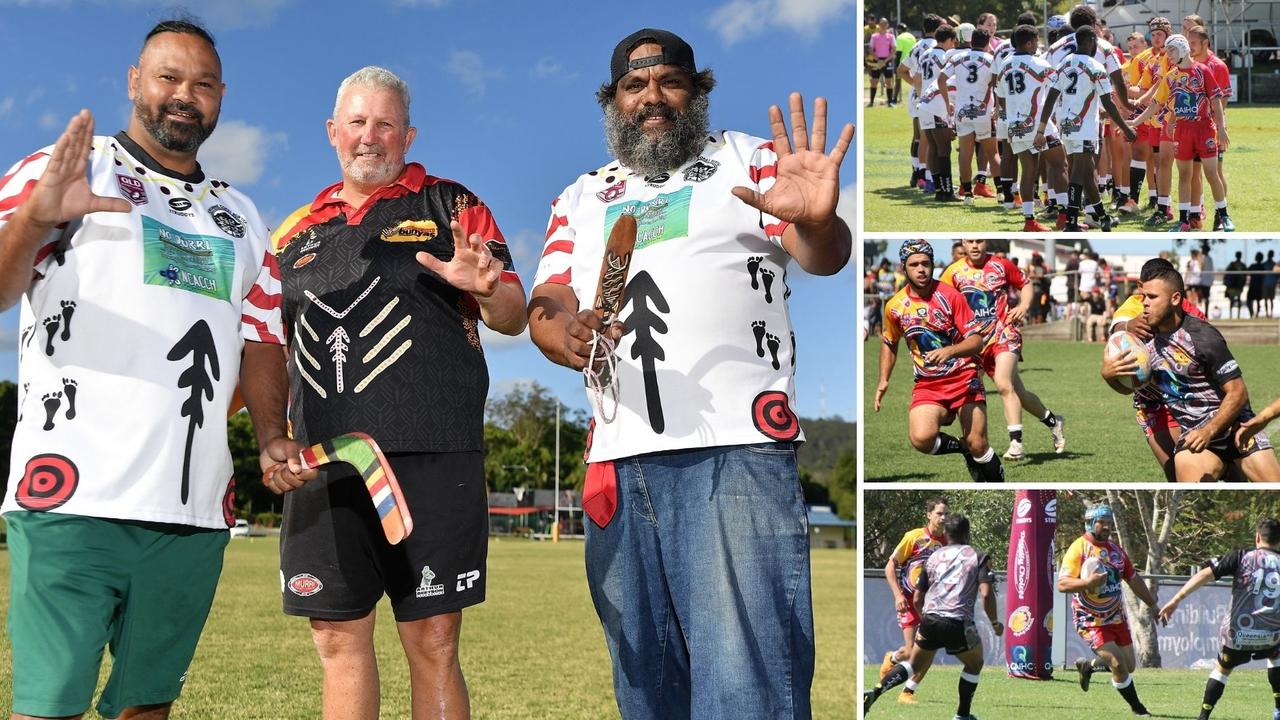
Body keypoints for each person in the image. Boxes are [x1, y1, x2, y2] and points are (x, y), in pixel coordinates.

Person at [526, 28, 852, 720]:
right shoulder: (580, 197)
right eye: (634, 84)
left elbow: (820, 251)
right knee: (645, 684)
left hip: (734, 454)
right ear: (612, 102)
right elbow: (547, 305)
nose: (652, 96)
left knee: (745, 683)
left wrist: (821, 225)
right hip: (619, 460)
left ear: (696, 90)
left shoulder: (748, 159)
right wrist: (567, 334)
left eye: (669, 80)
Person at [0, 17, 305, 720]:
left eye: (202, 84)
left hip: (190, 509)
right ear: (135, 82)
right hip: (70, 498)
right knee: (49, 706)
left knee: (148, 706)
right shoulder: (72, 168)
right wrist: (36, 220)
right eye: (168, 77)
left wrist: (269, 436)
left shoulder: (241, 215)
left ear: (221, 97)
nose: (184, 96)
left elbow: (262, 341)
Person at [268, 65, 527, 720]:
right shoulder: (291, 233)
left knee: (434, 639)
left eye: (385, 123)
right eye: (357, 122)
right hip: (324, 465)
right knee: (336, 636)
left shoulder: (450, 204)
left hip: (433, 455)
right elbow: (264, 347)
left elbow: (513, 314)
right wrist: (272, 433)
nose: (370, 136)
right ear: (332, 131)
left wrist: (488, 285)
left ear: (408, 134)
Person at [1103, 263, 1280, 481]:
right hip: (1194, 435)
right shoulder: (1144, 342)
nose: (1144, 304)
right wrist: (1109, 376)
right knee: (1182, 481)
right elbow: (1137, 382)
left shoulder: (1202, 336)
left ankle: (1232, 468)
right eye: (1143, 296)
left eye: (1152, 297)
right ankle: (1226, 468)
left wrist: (1209, 431)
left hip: (1237, 429)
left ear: (1175, 298)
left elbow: (1238, 393)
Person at [876, 241, 1004, 481]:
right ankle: (962, 448)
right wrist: (883, 380)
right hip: (928, 384)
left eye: (926, 263)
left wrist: (951, 351)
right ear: (904, 267)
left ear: (933, 265)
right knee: (921, 439)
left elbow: (976, 341)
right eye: (914, 264)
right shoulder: (894, 307)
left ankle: (993, 479)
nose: (921, 269)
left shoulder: (951, 296)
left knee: (978, 443)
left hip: (964, 376)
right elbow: (889, 342)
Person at [864, 514, 1002, 720]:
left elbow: (918, 597)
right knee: (975, 664)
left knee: (913, 663)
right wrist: (993, 622)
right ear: (967, 533)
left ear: (946, 533)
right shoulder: (978, 556)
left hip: (930, 619)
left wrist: (927, 619)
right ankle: (962, 715)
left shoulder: (933, 558)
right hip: (958, 621)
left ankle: (874, 692)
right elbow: (986, 593)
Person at [940, 238, 1065, 460]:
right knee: (1020, 394)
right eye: (970, 242)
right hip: (975, 343)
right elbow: (942, 304)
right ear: (963, 244)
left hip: (1004, 333)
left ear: (985, 242)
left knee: (1003, 383)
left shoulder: (1001, 264)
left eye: (979, 241)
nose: (975, 245)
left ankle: (1016, 443)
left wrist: (1024, 306)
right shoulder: (953, 273)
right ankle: (1054, 422)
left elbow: (1025, 283)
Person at [1158, 516, 1280, 720]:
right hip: (1272, 635)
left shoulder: (1241, 556)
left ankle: (1204, 715)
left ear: (1257, 537)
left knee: (1222, 670)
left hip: (1238, 634)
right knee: (1276, 657)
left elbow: (1203, 575)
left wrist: (1176, 599)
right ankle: (1278, 709)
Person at [1058, 505, 1161, 717]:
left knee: (1129, 666)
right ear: (1090, 523)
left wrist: (1153, 605)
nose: (1107, 527)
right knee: (1117, 664)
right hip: (1090, 619)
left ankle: (1089, 666)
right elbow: (1062, 584)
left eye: (1109, 522)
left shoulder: (1116, 551)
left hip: (1116, 617)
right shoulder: (1079, 548)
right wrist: (1087, 583)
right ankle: (1138, 709)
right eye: (1102, 522)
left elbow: (1134, 580)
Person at [1037, 26, 1137, 232]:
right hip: (1084, 127)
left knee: (1086, 171)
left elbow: (1051, 97)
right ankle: (1071, 222)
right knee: (1079, 172)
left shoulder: (1065, 63)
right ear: (1091, 40)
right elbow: (1108, 103)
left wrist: (1041, 127)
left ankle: (1102, 216)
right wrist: (1126, 127)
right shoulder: (1095, 67)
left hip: (1066, 125)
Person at [1131, 34, 1232, 232]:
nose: (1168, 55)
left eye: (1171, 50)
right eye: (1167, 51)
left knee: (1211, 174)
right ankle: (1183, 220)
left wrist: (1221, 127)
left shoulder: (1202, 71)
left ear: (1183, 49)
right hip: (1183, 131)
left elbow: (1216, 100)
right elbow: (1155, 104)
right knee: (1184, 175)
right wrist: (1135, 121)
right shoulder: (1170, 77)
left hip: (1204, 128)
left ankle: (1224, 215)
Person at [996, 24, 1068, 232]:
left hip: (1015, 126)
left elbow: (1000, 96)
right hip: (1039, 124)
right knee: (1060, 165)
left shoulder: (1004, 65)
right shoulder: (1039, 63)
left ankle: (1030, 221)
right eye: (1036, 41)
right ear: (1028, 43)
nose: (1037, 45)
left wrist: (1012, 115)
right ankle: (1064, 216)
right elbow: (1059, 86)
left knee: (1028, 171)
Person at [879, 497, 949, 703]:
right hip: (909, 601)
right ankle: (891, 658)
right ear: (929, 515)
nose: (943, 517)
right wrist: (898, 595)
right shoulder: (914, 537)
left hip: (932, 604)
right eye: (939, 513)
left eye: (946, 514)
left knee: (929, 649)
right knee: (911, 651)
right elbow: (890, 566)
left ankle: (907, 692)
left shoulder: (948, 542)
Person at [939, 28, 998, 202]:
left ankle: (967, 194)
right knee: (993, 153)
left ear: (971, 41)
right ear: (988, 44)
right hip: (984, 112)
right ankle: (1004, 193)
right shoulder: (991, 59)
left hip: (963, 112)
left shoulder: (957, 58)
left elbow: (941, 79)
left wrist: (947, 102)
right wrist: (999, 105)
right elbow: (997, 84)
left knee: (965, 153)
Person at [868, 18, 897, 107]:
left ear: (887, 25)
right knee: (874, 81)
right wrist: (878, 60)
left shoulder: (891, 36)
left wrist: (885, 61)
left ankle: (890, 102)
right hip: (876, 61)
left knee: (888, 82)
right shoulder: (874, 36)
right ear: (879, 25)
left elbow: (894, 50)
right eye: (881, 24)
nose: (883, 25)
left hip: (887, 61)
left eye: (885, 24)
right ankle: (871, 102)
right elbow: (870, 49)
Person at [1224, 250, 1247, 318]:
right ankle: (1234, 316)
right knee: (1234, 300)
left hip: (1237, 285)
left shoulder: (1237, 265)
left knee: (1235, 300)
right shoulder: (1240, 265)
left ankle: (1235, 316)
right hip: (1235, 285)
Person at [1249, 251, 1269, 318]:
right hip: (1258, 286)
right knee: (1257, 301)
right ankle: (1255, 314)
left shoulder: (1253, 266)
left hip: (1254, 286)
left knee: (1251, 300)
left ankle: (1252, 314)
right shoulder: (1262, 267)